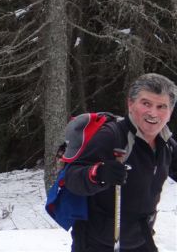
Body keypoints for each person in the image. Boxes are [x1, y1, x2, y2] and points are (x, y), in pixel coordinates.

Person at [64, 73, 177, 252]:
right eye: (146, 103)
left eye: (161, 106)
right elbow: (72, 178)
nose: (153, 113)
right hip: (99, 242)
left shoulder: (166, 143)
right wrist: (99, 173)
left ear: (170, 113)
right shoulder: (111, 136)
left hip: (141, 237)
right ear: (130, 104)